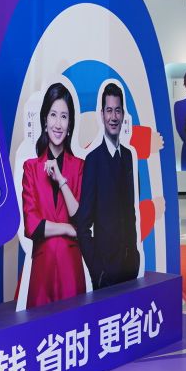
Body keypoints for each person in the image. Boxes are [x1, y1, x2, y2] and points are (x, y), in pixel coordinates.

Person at [21, 82, 86, 308]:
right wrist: (67, 229)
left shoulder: (80, 167)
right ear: (44, 120)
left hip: (71, 273)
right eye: (53, 115)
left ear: (70, 125)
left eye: (64, 117)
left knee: (74, 327)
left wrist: (61, 180)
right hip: (42, 275)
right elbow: (32, 226)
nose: (58, 124)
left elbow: (81, 220)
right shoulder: (31, 168)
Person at [77, 82, 141, 289]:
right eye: (109, 110)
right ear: (102, 114)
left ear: (123, 115)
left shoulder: (129, 157)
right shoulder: (93, 160)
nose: (113, 117)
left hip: (130, 267)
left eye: (118, 110)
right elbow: (83, 225)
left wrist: (135, 256)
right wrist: (97, 271)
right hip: (105, 272)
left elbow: (130, 211)